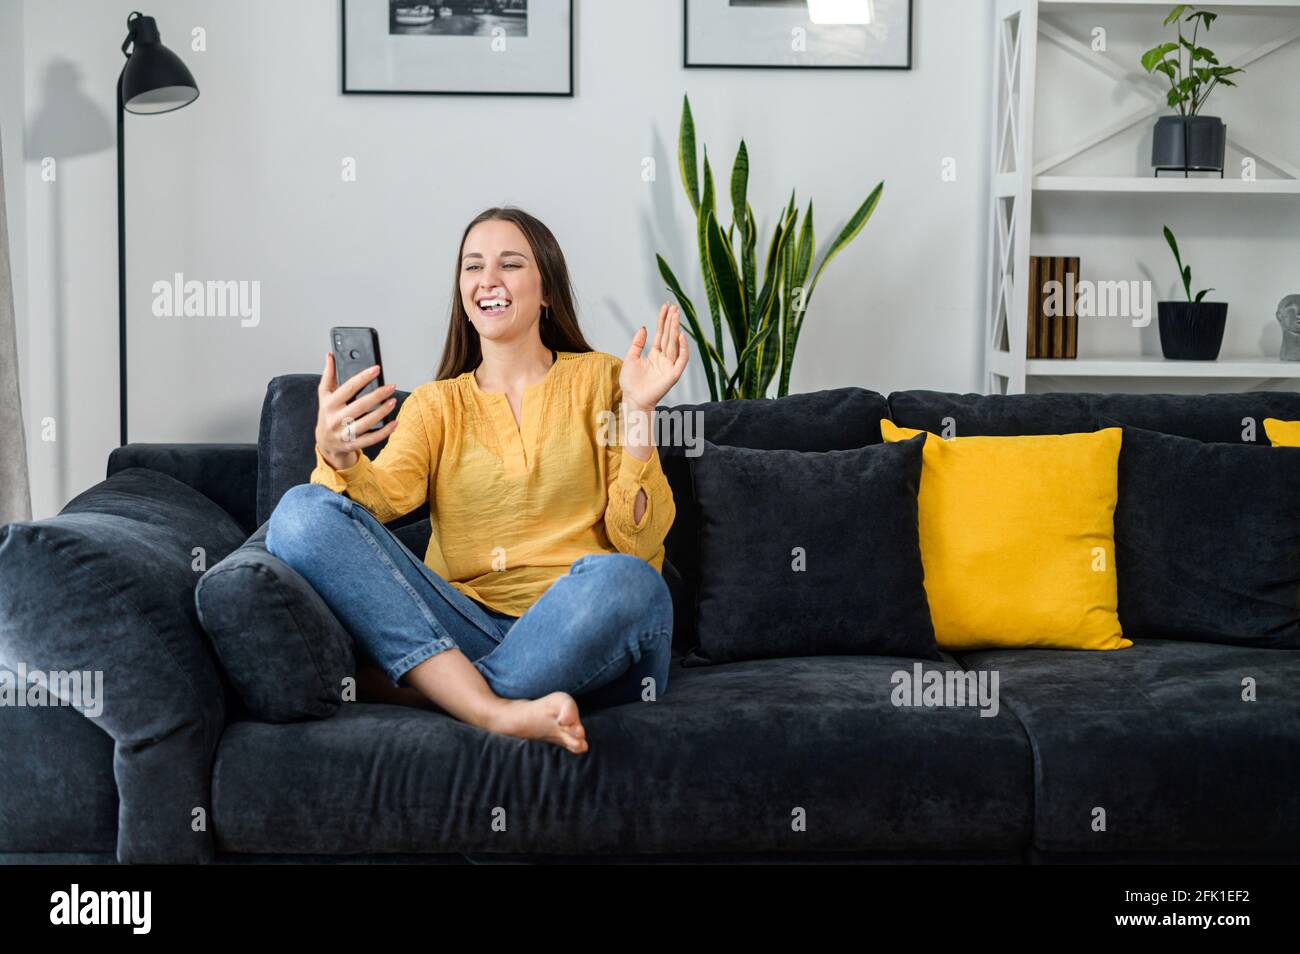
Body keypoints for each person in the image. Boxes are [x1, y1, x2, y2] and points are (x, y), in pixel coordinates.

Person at [266, 207, 689, 756]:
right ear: (462, 294)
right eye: (473, 267)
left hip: (584, 628)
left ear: (547, 294)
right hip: (462, 625)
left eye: (510, 264)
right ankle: (494, 709)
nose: (487, 280)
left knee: (628, 579)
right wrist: (336, 451)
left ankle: (438, 693)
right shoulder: (437, 405)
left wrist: (637, 410)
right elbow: (379, 502)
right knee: (300, 511)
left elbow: (638, 538)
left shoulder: (605, 378)